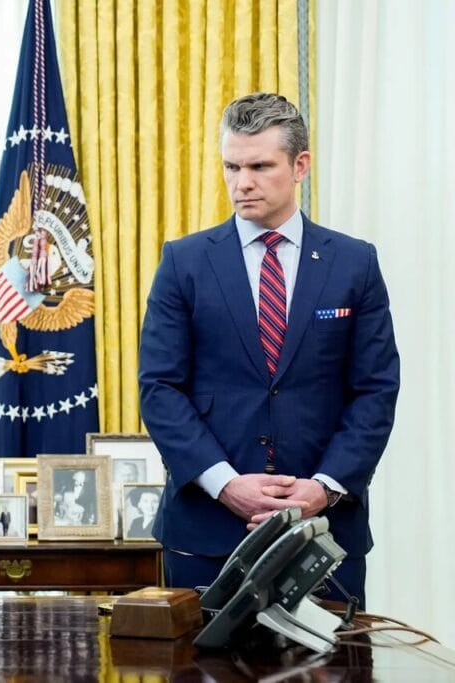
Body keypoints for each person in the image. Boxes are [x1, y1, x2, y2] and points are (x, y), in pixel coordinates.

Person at [138, 92, 399, 606]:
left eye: (259, 166)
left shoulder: (355, 264)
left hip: (326, 533)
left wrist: (324, 487)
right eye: (231, 167)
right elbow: (159, 388)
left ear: (300, 166)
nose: (242, 183)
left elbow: (376, 390)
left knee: (332, 656)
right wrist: (224, 484)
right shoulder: (184, 262)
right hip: (207, 531)